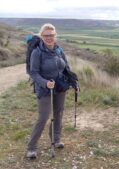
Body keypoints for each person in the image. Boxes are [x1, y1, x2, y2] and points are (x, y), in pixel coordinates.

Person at [26, 23, 78, 159]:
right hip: (44, 89)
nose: (49, 38)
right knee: (43, 118)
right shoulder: (37, 52)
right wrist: (45, 83)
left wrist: (73, 82)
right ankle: (31, 147)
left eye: (52, 35)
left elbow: (66, 68)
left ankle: (56, 140)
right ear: (42, 36)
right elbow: (33, 72)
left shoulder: (59, 50)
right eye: (46, 35)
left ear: (55, 36)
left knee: (58, 114)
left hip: (60, 86)